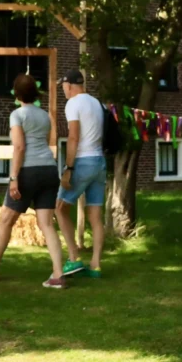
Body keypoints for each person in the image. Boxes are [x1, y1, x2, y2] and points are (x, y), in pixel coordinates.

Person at [0, 74, 66, 289]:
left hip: (28, 172)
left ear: (16, 94)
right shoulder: (45, 116)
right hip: (50, 171)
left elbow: (20, 147)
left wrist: (13, 178)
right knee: (47, 224)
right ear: (35, 93)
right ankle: (58, 275)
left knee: (6, 220)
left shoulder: (17, 115)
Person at [55, 69, 106, 279]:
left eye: (63, 87)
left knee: (59, 208)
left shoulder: (73, 104)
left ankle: (74, 258)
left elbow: (73, 136)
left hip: (83, 162)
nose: (63, 91)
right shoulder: (97, 103)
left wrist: (69, 168)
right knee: (95, 216)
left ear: (69, 85)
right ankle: (95, 264)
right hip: (100, 162)